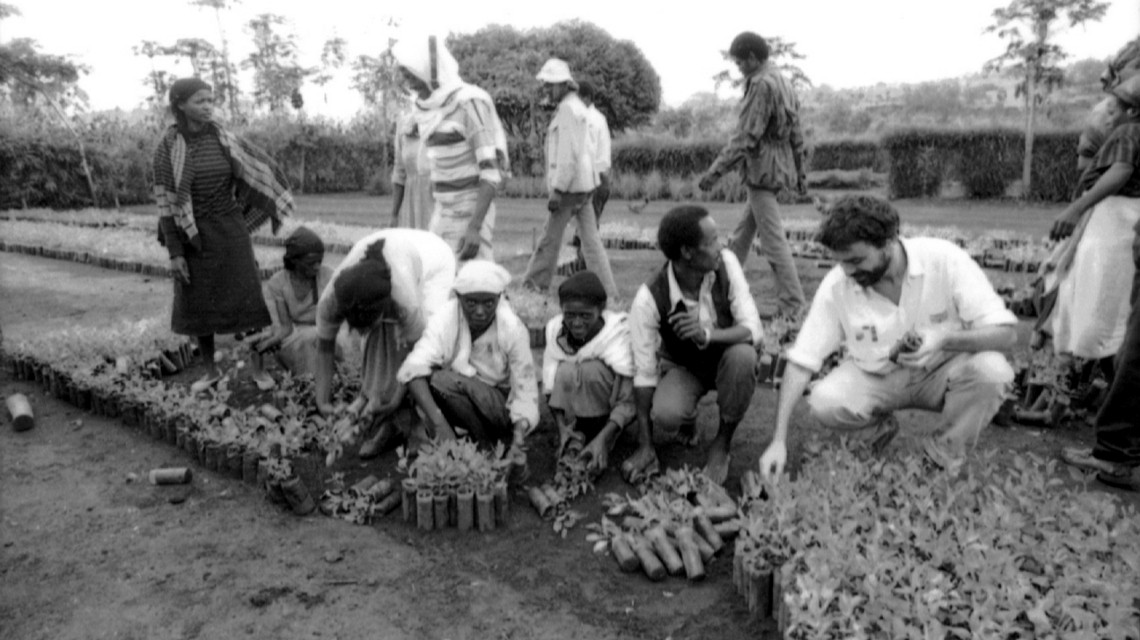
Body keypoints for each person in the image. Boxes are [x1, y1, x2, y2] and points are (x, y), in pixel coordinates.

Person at [757, 195, 1018, 482]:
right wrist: (778, 440)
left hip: (940, 374)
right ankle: (878, 430)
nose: (848, 271)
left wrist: (943, 339)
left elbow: (1006, 334)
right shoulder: (839, 284)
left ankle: (942, 456)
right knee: (825, 401)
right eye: (841, 262)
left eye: (856, 260)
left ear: (889, 242)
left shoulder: (944, 260)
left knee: (993, 371)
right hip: (878, 378)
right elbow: (801, 362)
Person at [152, 77, 293, 384]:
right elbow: (166, 208)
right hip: (194, 239)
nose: (207, 107)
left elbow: (257, 174)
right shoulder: (167, 150)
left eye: (210, 100)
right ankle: (210, 371)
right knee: (199, 304)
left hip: (231, 231)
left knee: (248, 299)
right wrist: (176, 253)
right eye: (200, 101)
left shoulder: (225, 139)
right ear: (180, 105)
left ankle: (258, 368)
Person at [625, 206, 763, 485]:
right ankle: (687, 419)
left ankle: (721, 444)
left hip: (728, 359)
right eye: (711, 241)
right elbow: (644, 374)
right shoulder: (650, 298)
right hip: (686, 367)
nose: (720, 245)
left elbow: (754, 330)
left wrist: (707, 335)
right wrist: (645, 445)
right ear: (687, 252)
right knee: (666, 413)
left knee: (744, 357)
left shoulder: (727, 264)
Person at [313, 228, 456, 458]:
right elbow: (324, 349)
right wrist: (322, 402)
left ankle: (419, 427)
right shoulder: (332, 300)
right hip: (393, 253)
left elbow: (416, 361)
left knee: (428, 344)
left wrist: (396, 397)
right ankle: (390, 426)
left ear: (385, 306)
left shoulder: (405, 301)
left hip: (432, 263)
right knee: (378, 345)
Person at [697, 31, 807, 318]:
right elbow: (797, 132)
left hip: (762, 170)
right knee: (742, 237)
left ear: (753, 58)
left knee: (772, 242)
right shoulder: (783, 81)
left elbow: (746, 136)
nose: (739, 68)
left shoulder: (761, 84)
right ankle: (722, 289)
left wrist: (715, 172)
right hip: (777, 167)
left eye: (740, 62)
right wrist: (801, 172)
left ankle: (793, 305)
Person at [396, 260, 538, 458]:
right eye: (471, 303)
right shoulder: (446, 317)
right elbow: (412, 367)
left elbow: (526, 390)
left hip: (499, 407)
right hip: (462, 397)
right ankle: (456, 439)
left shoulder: (512, 329)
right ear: (459, 298)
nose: (480, 312)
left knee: (441, 380)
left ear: (499, 298)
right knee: (426, 380)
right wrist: (439, 424)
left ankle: (484, 442)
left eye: (488, 303)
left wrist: (519, 437)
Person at [1045, 76, 1140, 364]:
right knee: (1117, 303)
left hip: (1113, 222)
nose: (1107, 119)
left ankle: (1087, 365)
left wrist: (1076, 208)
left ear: (1133, 112)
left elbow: (1120, 170)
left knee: (1095, 296)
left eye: (1113, 112)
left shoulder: (1128, 133)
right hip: (1128, 220)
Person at [392, 33, 510, 261]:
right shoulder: (427, 109)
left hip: (470, 210)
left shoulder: (469, 103)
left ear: (427, 68)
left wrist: (475, 228)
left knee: (476, 285)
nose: (405, 77)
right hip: (442, 209)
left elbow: (490, 172)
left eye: (410, 70)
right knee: (439, 280)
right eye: (403, 71)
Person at [521, 58, 619, 300]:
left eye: (548, 85)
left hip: (570, 187)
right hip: (585, 185)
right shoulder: (577, 107)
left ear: (562, 84)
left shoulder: (567, 109)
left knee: (548, 240)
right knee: (592, 243)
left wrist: (558, 188)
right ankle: (610, 294)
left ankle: (532, 290)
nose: (546, 90)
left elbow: (569, 153)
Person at [542, 271, 635, 474]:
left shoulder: (617, 336)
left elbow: (628, 400)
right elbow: (549, 383)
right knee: (565, 370)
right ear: (561, 311)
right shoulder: (555, 331)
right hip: (576, 412)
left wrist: (603, 439)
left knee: (590, 370)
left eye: (585, 316)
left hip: (610, 410)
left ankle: (604, 435)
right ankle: (574, 432)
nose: (576, 323)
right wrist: (561, 429)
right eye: (570, 315)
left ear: (600, 310)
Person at [244, 226, 336, 386]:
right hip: (294, 335)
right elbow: (284, 328)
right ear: (295, 261)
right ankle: (313, 383)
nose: (317, 267)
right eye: (311, 262)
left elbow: (338, 317)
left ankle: (319, 383)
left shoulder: (328, 276)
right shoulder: (278, 283)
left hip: (327, 331)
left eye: (319, 261)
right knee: (303, 341)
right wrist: (268, 342)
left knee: (319, 338)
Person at [388, 113, 434, 230]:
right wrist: (394, 215)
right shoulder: (404, 123)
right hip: (413, 204)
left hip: (440, 202)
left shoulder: (448, 118)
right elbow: (399, 172)